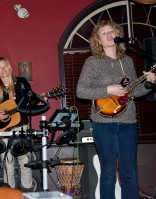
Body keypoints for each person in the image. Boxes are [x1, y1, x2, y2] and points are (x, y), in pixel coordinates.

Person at [76, 20, 156, 199]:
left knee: (130, 173)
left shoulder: (127, 61)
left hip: (128, 122)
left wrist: (149, 84)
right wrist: (107, 90)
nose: (109, 35)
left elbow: (134, 91)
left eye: (111, 31)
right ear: (98, 40)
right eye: (104, 33)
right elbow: (80, 91)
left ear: (118, 34)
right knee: (108, 173)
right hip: (103, 123)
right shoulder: (93, 62)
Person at [0, 56, 36, 191]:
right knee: (7, 162)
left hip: (20, 126)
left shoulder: (21, 83)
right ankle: (9, 193)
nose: (3, 69)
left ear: (10, 68)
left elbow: (31, 99)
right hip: (2, 129)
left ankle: (27, 190)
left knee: (24, 159)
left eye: (5, 66)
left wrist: (41, 98)